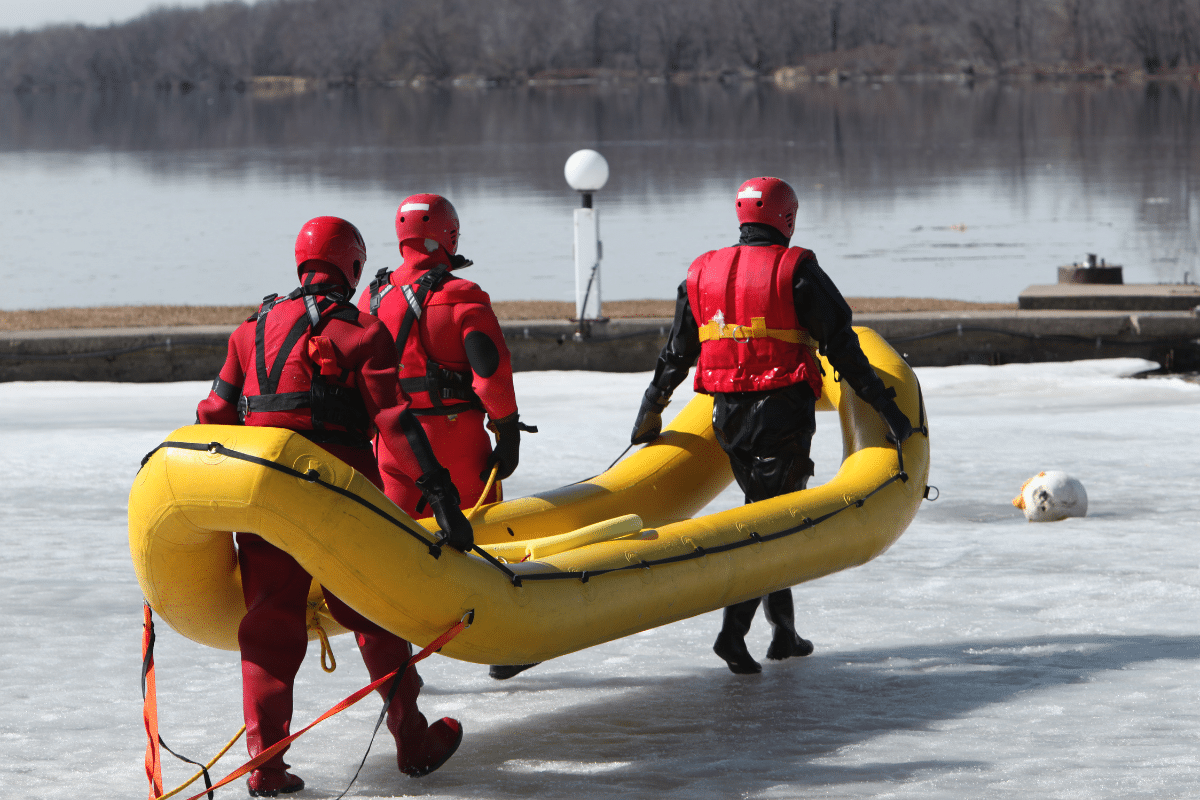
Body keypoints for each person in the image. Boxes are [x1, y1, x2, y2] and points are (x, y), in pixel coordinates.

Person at [196, 216, 473, 796]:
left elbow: (214, 415)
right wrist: (441, 495)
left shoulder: (249, 331)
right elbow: (393, 421)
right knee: (374, 613)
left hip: (262, 499)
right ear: (351, 265)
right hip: (340, 503)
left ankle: (265, 767)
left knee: (269, 624)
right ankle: (411, 738)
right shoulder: (362, 331)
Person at [630, 177, 914, 676]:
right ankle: (732, 635)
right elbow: (842, 347)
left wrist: (651, 406)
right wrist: (887, 409)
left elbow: (677, 350)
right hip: (779, 412)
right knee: (772, 522)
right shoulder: (796, 271)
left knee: (766, 510)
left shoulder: (701, 272)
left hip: (726, 416)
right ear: (787, 217)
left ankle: (784, 631)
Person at [359, 195, 536, 682]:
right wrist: (508, 430)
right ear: (450, 235)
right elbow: (490, 375)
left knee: (398, 550)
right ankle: (505, 645)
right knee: (486, 541)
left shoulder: (373, 298)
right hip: (455, 441)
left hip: (393, 446)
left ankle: (396, 663)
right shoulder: (463, 295)